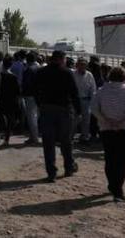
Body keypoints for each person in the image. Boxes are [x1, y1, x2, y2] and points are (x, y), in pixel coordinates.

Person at [92, 67, 125, 202]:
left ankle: (112, 185)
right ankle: (118, 189)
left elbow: (94, 109)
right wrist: (121, 123)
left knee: (110, 158)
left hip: (106, 129)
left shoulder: (100, 92)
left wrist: (106, 121)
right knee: (122, 160)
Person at [35, 50, 82, 182]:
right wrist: (78, 111)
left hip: (46, 109)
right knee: (66, 141)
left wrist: (40, 104)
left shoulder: (41, 72)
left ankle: (51, 172)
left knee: (48, 142)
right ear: (62, 59)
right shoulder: (67, 72)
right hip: (64, 109)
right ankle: (68, 167)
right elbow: (74, 93)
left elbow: (34, 90)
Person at [73, 58, 97, 144]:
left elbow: (93, 89)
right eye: (80, 64)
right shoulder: (73, 74)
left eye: (84, 65)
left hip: (86, 100)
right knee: (74, 119)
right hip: (75, 100)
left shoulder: (89, 75)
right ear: (77, 65)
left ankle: (84, 137)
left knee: (86, 120)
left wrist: (92, 101)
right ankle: (70, 136)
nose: (82, 66)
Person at [0, 54, 21, 146]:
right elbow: (17, 91)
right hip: (11, 100)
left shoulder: (0, 75)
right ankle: (7, 138)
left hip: (1, 99)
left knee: (1, 117)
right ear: (11, 65)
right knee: (10, 119)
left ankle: (1, 133)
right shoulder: (13, 77)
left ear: (3, 64)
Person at [21, 52, 41, 145]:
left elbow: (26, 84)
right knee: (35, 117)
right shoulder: (39, 68)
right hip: (38, 96)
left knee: (31, 117)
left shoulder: (29, 70)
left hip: (30, 96)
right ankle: (33, 137)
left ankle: (34, 138)